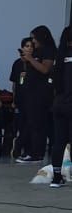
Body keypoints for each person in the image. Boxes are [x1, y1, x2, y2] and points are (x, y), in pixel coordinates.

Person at [23, 24, 56, 165]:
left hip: (42, 93)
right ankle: (30, 151)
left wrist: (30, 59)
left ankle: (38, 154)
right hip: (31, 91)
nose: (32, 41)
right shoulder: (36, 51)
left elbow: (45, 69)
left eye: (34, 38)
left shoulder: (48, 50)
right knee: (31, 122)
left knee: (39, 124)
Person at [48, 24, 72, 188]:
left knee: (59, 142)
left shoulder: (59, 58)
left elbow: (52, 83)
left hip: (58, 105)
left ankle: (56, 177)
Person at [10, 38, 35, 161]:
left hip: (33, 99)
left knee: (30, 124)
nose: (29, 48)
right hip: (20, 99)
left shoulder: (36, 63)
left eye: (31, 46)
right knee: (22, 124)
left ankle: (25, 148)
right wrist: (13, 100)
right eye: (26, 46)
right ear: (22, 48)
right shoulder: (17, 64)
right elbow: (15, 83)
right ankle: (20, 148)